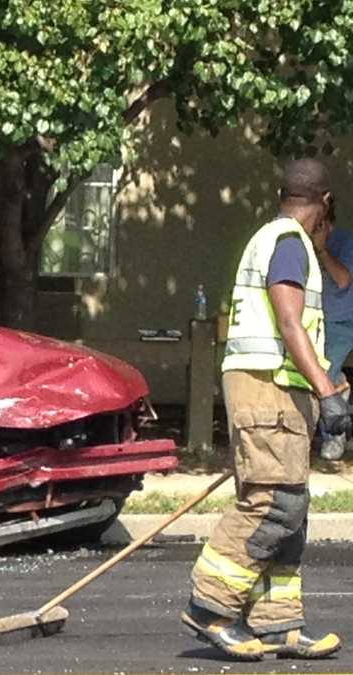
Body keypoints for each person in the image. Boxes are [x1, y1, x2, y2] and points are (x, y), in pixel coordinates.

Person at [180, 158, 348, 661]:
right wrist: (327, 391)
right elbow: (290, 323)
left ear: (283, 193)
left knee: (292, 509)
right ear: (325, 204)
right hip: (265, 389)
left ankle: (278, 625)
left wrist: (322, 386)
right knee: (272, 503)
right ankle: (210, 607)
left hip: (281, 390)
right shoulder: (289, 243)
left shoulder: (280, 241)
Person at [316, 202, 353, 460]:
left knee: (325, 370)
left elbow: (342, 279)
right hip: (316, 321)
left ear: (327, 223)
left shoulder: (345, 242)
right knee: (332, 374)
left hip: (343, 322)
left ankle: (334, 435)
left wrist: (322, 250)